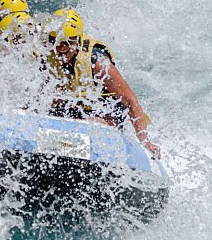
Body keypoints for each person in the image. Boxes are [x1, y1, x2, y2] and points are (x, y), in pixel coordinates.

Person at [43, 9, 161, 157]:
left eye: (68, 42)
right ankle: (55, 150)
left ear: (78, 40)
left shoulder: (97, 61)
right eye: (57, 41)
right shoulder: (49, 52)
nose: (61, 47)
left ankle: (70, 151)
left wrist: (145, 141)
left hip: (107, 109)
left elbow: (131, 101)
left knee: (93, 124)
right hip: (80, 105)